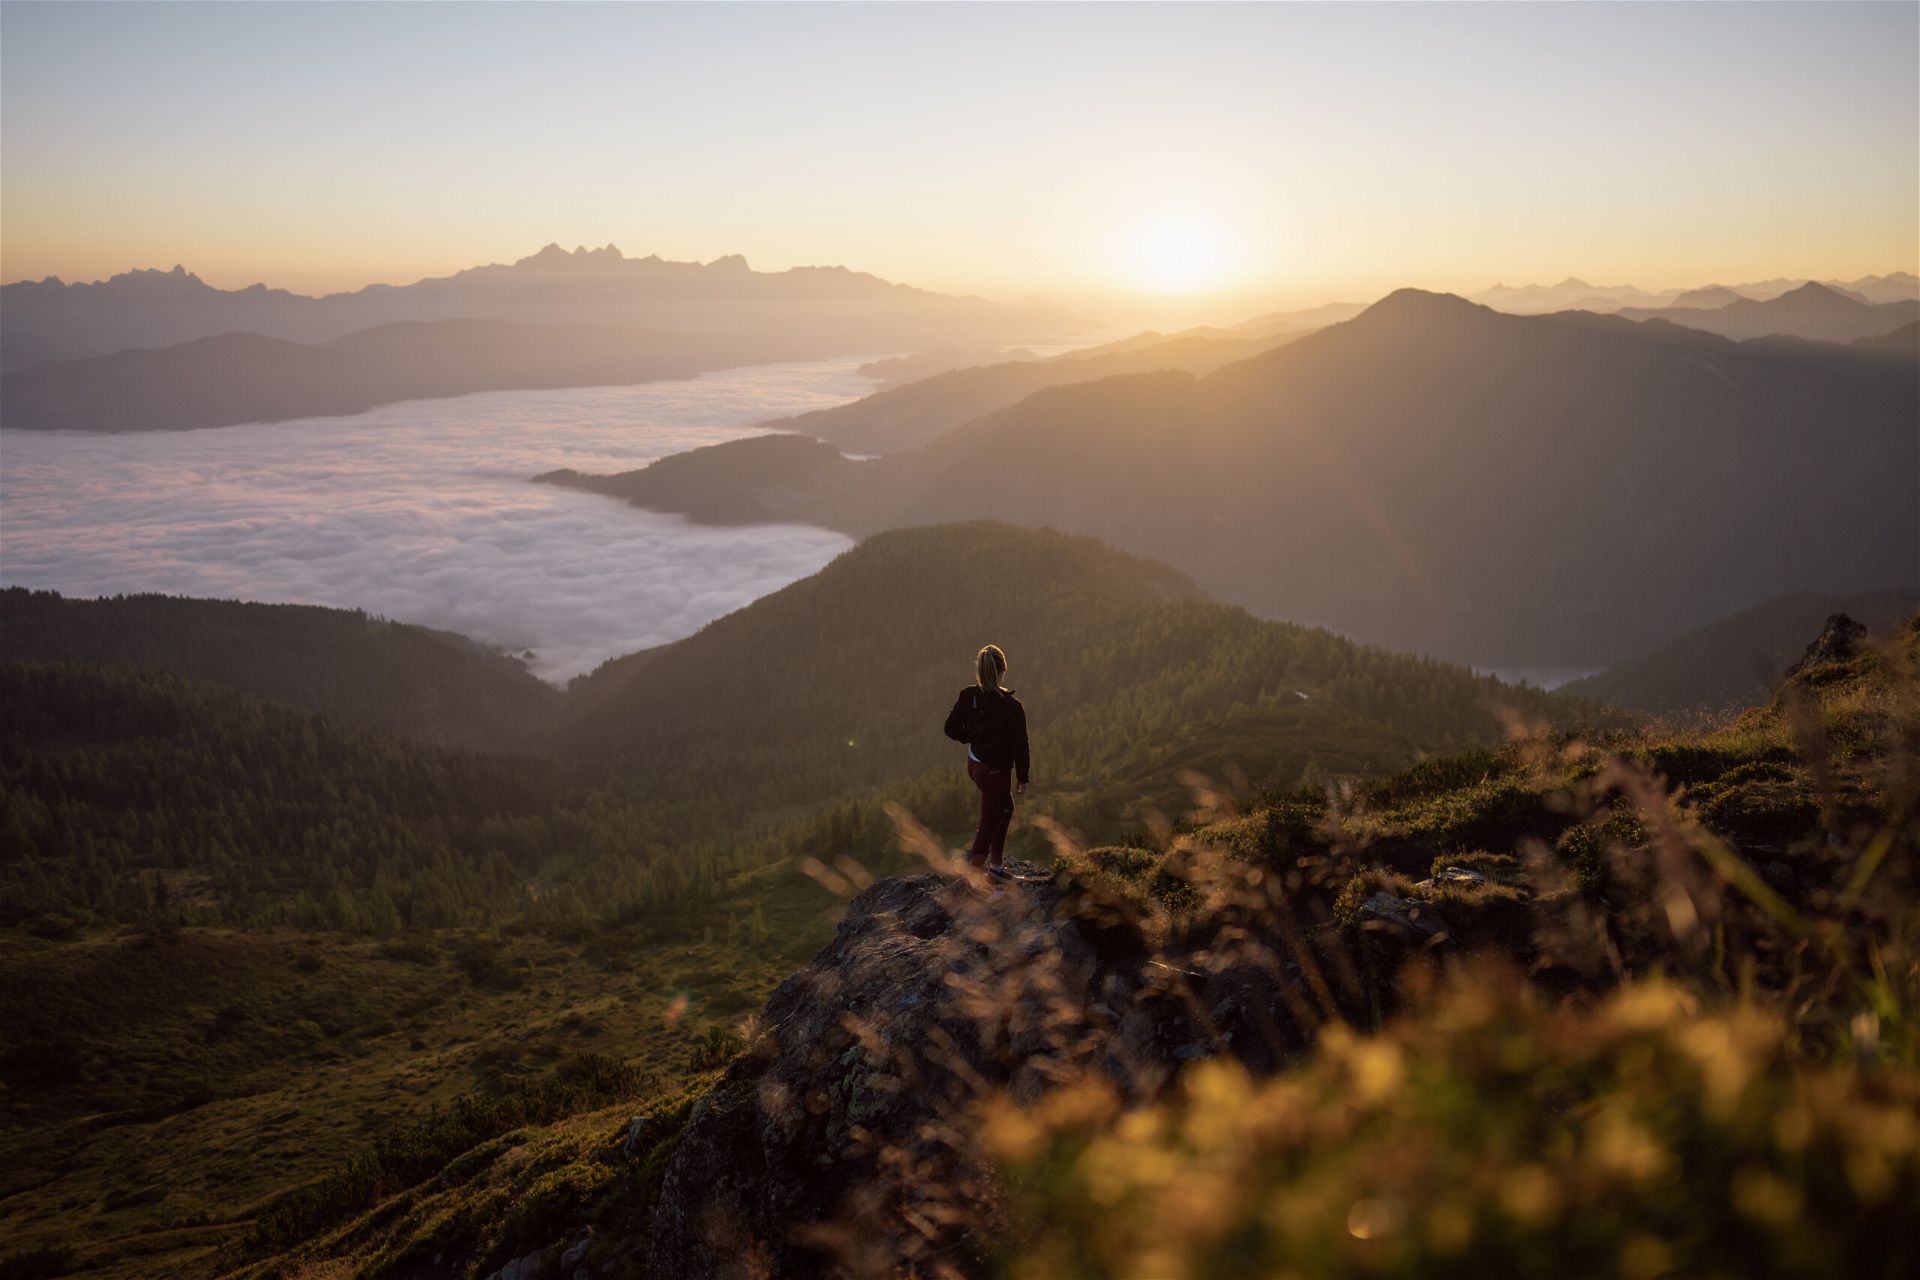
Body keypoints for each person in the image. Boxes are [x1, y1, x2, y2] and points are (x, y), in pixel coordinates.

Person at [943, 644, 1030, 885]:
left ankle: (995, 866)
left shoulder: (968, 695)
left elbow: (950, 729)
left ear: (980, 671)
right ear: (1003, 669)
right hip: (995, 772)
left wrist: (973, 737)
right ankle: (975, 880)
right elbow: (1020, 746)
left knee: (1005, 809)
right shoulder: (1012, 708)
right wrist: (1022, 777)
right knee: (990, 821)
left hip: (975, 764)